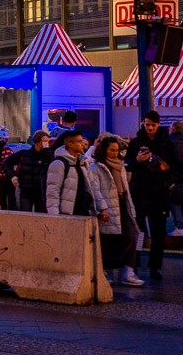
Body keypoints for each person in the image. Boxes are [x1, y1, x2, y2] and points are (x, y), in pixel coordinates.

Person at [125, 110, 178, 281]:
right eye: (147, 124)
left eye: (152, 125)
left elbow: (177, 167)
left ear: (158, 124)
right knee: (137, 230)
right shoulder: (136, 143)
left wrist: (167, 181)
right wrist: (137, 161)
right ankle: (136, 263)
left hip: (159, 192)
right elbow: (128, 165)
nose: (149, 128)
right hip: (140, 191)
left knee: (158, 232)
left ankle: (155, 266)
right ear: (143, 123)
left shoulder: (167, 144)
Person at [90, 134, 144, 287]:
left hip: (122, 203)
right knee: (107, 240)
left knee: (131, 235)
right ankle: (105, 271)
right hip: (108, 206)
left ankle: (129, 271)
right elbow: (95, 189)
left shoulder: (121, 166)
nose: (114, 153)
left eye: (116, 150)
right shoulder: (97, 167)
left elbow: (126, 187)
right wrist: (102, 209)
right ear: (104, 150)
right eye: (111, 150)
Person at [46, 130, 110, 235]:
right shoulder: (59, 164)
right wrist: (54, 216)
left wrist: (102, 208)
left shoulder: (83, 163)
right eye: (79, 141)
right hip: (68, 213)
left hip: (83, 210)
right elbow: (53, 192)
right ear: (70, 144)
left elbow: (93, 186)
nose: (82, 144)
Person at [3, 129, 53, 212]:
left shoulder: (46, 155)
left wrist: (46, 151)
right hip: (26, 190)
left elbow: (51, 164)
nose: (46, 144)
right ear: (38, 141)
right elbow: (6, 163)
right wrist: (13, 176)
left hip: (40, 190)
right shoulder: (24, 154)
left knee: (41, 214)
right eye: (44, 141)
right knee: (25, 213)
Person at [167, 121, 183, 238]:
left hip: (175, 177)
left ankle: (179, 227)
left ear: (172, 129)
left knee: (175, 202)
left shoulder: (169, 142)